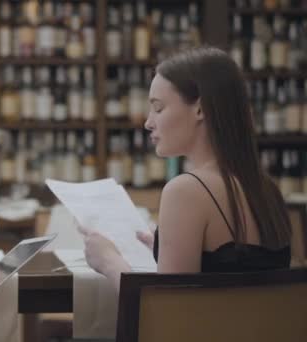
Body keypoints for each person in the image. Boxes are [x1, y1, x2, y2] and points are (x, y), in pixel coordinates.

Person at [82, 47, 291, 291]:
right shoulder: (268, 189)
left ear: (200, 110)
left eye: (158, 108)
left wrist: (109, 261)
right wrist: (165, 247)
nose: (149, 122)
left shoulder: (186, 191)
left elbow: (166, 312)